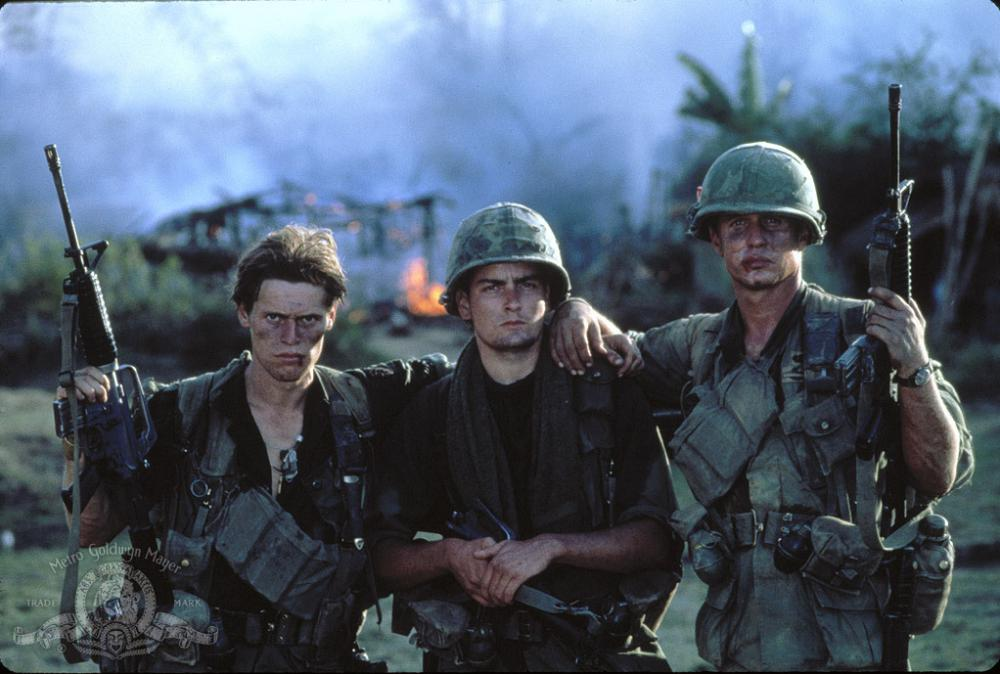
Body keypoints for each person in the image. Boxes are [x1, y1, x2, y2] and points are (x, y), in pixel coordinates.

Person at [549, 142, 974, 671]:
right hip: (741, 635)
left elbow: (939, 473)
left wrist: (914, 365)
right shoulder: (698, 344)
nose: (754, 240)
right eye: (736, 226)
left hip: (847, 635)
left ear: (803, 234)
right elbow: (617, 353)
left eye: (773, 223)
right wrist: (576, 308)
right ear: (714, 239)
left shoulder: (867, 334)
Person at [58, 225, 450, 672]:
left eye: (308, 320)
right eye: (274, 319)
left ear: (332, 316)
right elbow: (90, 532)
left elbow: (468, 374)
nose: (291, 338)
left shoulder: (365, 403)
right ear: (244, 313)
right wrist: (77, 444)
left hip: (319, 660)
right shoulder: (180, 414)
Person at [371, 203, 683, 672]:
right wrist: (449, 555)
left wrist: (553, 547)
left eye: (527, 284)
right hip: (476, 655)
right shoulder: (436, 410)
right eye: (492, 286)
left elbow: (657, 538)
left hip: (589, 649)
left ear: (550, 296)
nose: (512, 301)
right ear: (463, 304)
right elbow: (382, 555)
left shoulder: (605, 395)